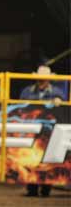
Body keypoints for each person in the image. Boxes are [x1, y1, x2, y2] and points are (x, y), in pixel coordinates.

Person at [20, 65, 64, 197]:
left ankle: (46, 188)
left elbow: (63, 106)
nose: (42, 80)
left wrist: (59, 101)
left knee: (48, 159)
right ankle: (31, 188)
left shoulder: (57, 91)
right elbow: (20, 106)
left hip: (48, 129)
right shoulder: (27, 91)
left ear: (48, 79)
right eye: (40, 78)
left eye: (44, 78)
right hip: (31, 127)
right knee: (30, 158)